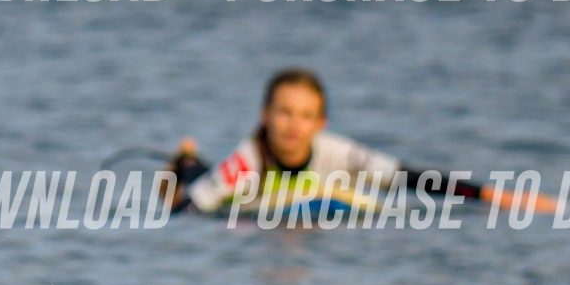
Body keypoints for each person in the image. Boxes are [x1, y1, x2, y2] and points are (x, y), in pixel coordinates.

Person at [163, 68, 544, 216]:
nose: (294, 125)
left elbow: (410, 179)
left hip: (306, 199)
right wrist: (170, 188)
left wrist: (494, 196)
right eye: (284, 112)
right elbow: (186, 211)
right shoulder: (246, 162)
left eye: (306, 115)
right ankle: (185, 160)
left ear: (321, 123)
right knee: (199, 176)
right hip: (239, 198)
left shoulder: (338, 152)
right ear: (265, 116)